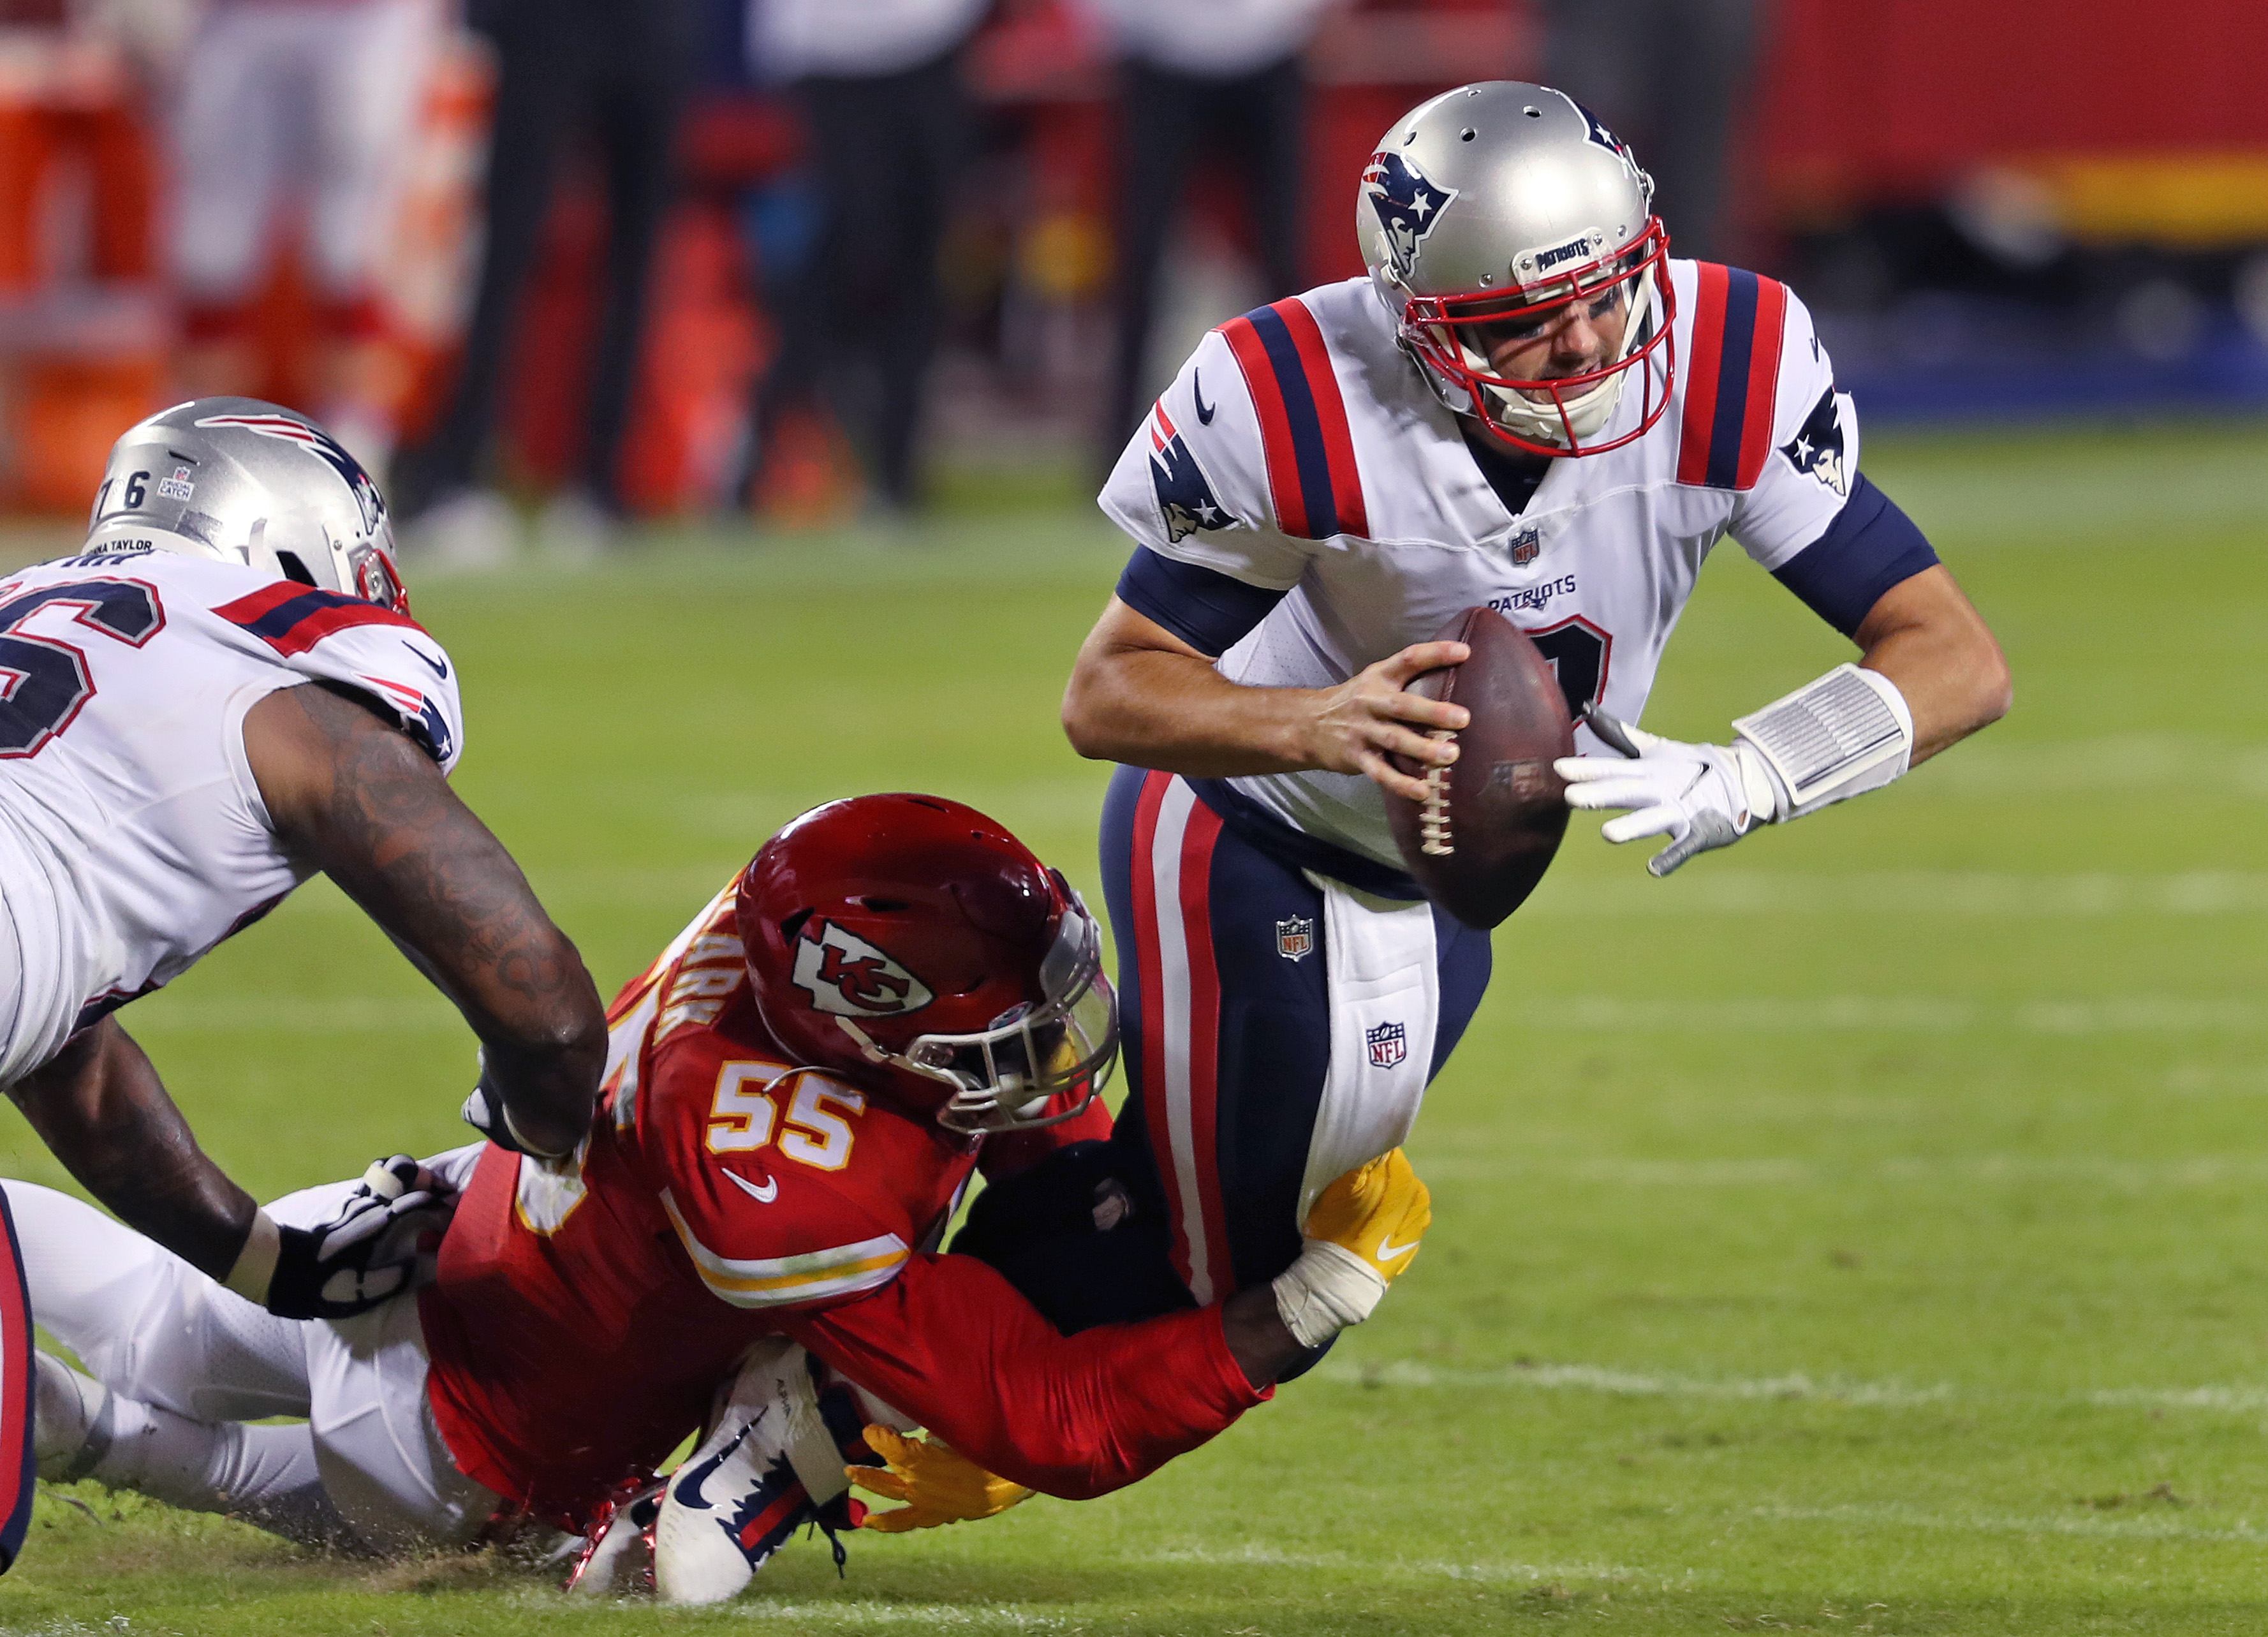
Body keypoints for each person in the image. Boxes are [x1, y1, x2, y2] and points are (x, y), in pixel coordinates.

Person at [1051, 82, 2011, 1342]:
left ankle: (855, 1380)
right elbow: (1108, 687)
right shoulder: (1296, 391)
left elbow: (1954, 656)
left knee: (1263, 1266)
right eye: (1520, 322)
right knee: (1206, 1262)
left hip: (1444, 871)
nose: (1582, 345)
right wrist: (1309, 719)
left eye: (1607, 291)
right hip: (1247, 828)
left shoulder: (1726, 360)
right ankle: (825, 1404)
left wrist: (1754, 772)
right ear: (1418, 324)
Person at [18, 794, 1432, 1589]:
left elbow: (1014, 1127)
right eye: (998, 1034)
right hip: (462, 1440)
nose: (1049, 1062)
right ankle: (83, 1435)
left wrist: (1087, 1168)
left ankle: (79, 1407)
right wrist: (1299, 1308)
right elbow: (1047, 1417)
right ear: (859, 1014)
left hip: (424, 1232)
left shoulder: (774, 942)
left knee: (159, 1312)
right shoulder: (787, 1182)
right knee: (168, 1440)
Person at [0, 397, 605, 1328]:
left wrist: (272, 1265)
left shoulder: (34, 608)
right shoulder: (285, 684)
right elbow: (549, 1017)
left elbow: (64, 1054)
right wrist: (538, 1131)